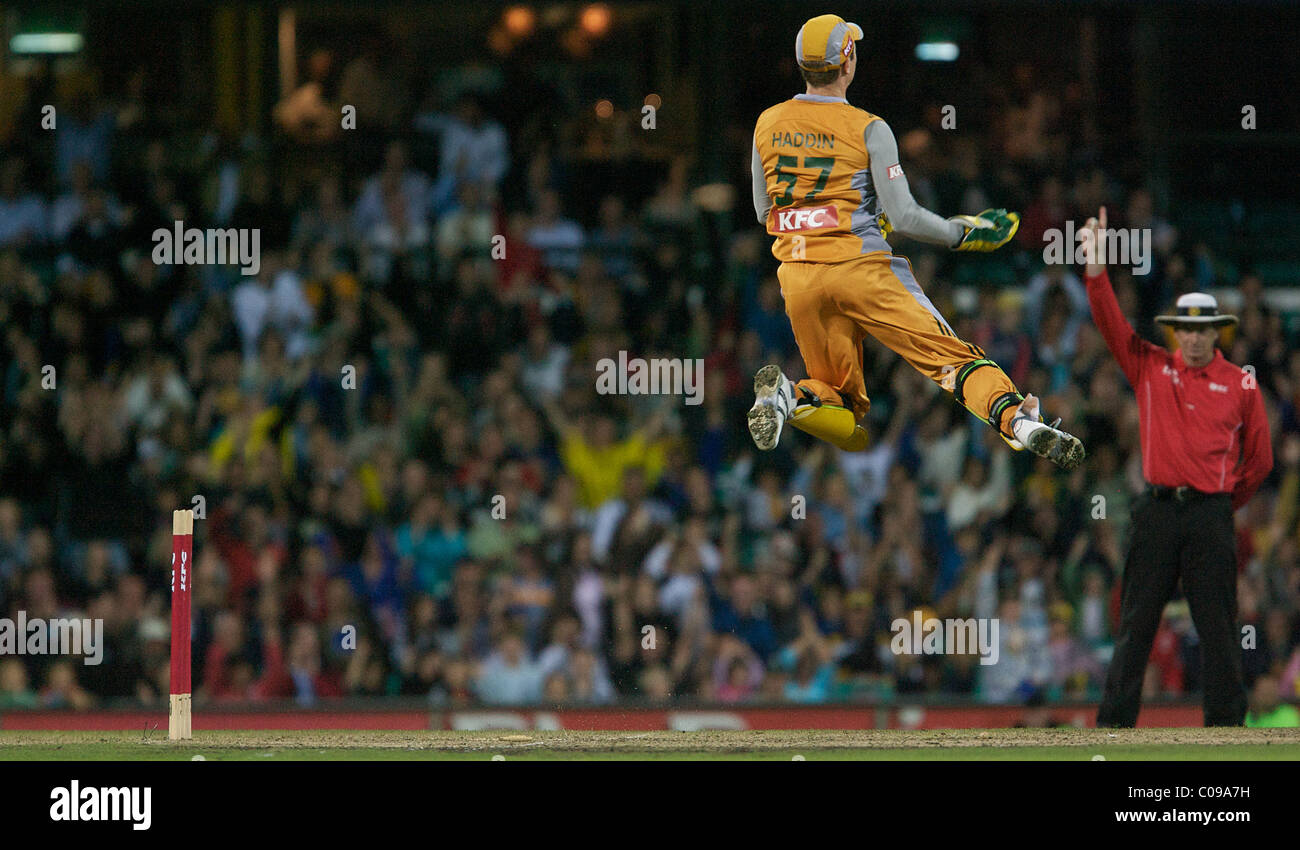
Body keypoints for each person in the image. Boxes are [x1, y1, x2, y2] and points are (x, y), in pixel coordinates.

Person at [746, 14, 1084, 471]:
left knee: (843, 408)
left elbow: (764, 212)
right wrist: (960, 232)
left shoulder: (767, 123)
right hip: (860, 269)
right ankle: (1018, 421)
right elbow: (904, 215)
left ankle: (784, 396)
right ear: (848, 63)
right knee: (949, 358)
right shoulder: (870, 128)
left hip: (799, 280)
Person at [1084, 207, 1274, 727]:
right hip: (1159, 511)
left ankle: (1226, 730)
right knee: (1136, 622)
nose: (1192, 340)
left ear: (1216, 333)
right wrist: (1096, 269)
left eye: (1201, 331)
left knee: (1218, 626)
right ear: (1174, 334)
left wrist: (1220, 501)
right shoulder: (1149, 366)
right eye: (1184, 332)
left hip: (1208, 514)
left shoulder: (1241, 383)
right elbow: (1108, 322)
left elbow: (1260, 459)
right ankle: (1115, 726)